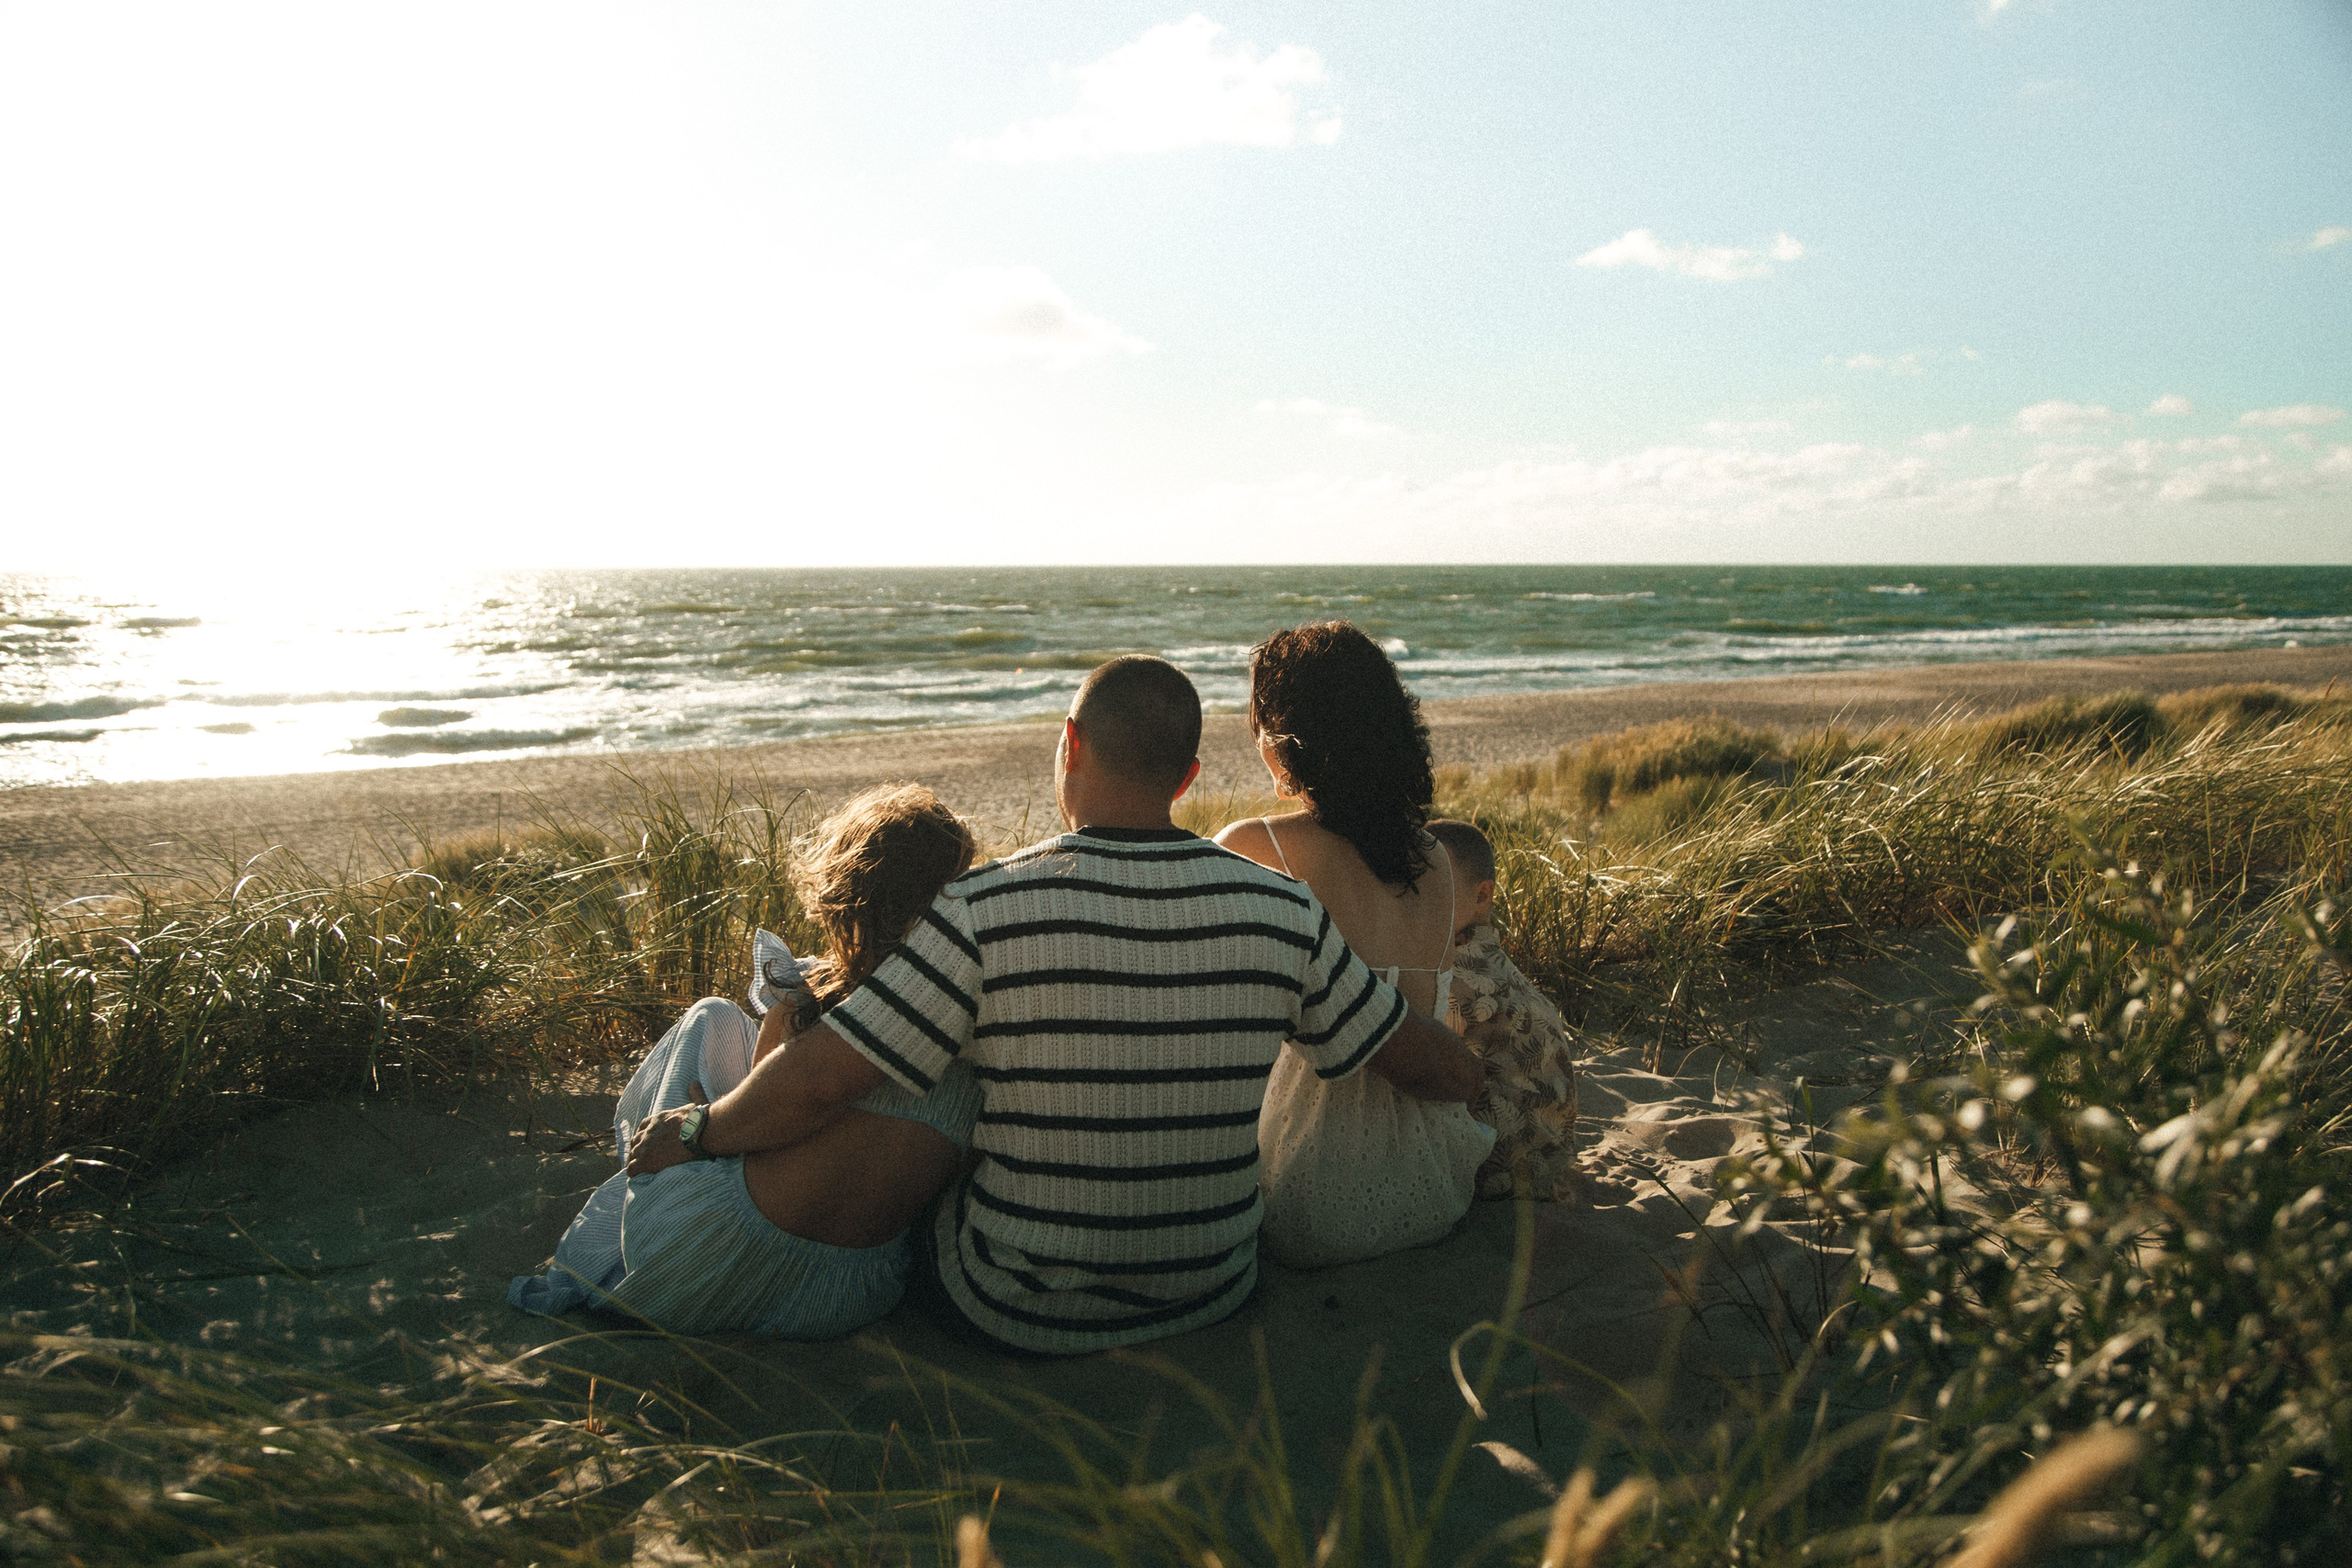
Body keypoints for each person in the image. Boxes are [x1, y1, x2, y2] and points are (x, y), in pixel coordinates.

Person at [624, 655, 1483, 1355]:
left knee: (927, 1080)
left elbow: (818, 1079)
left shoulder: (983, 907)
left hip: (1011, 1304)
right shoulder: (1281, 907)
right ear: (1185, 776)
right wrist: (1487, 1078)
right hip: (1212, 1286)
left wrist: (702, 1130)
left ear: (1069, 744)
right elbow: (1419, 1059)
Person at [508, 784, 983, 1337]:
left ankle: (628, 1194)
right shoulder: (980, 1028)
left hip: (696, 1266)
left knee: (710, 1019)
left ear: (848, 900)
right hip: (846, 1296)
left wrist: (699, 1123)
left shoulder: (807, 1009)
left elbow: (762, 1125)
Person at [1216, 622, 1498, 1269]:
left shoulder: (1254, 846)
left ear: (1284, 740)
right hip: (1433, 1185)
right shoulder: (1431, 855)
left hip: (1306, 1197)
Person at [1426, 818, 1581, 1201]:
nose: (1420, 898)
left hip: (1510, 1176)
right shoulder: (1492, 963)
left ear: (1482, 896)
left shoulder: (1454, 974)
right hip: (1551, 1161)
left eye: (1436, 886)